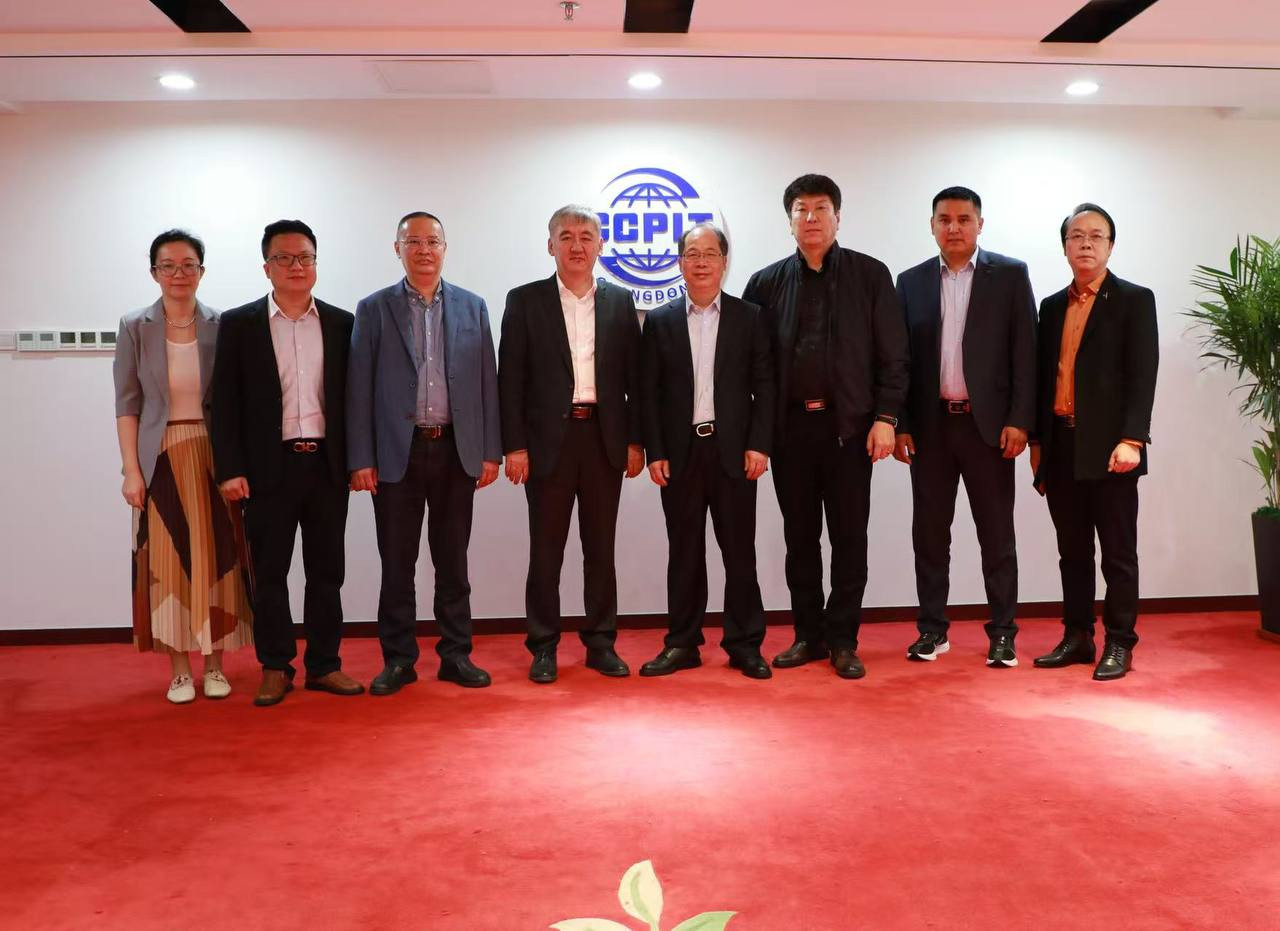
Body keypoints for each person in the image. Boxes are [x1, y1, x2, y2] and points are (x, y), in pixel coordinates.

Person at [742, 174, 909, 680]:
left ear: (838, 216)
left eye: (820, 208)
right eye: (801, 209)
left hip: (850, 431)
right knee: (800, 541)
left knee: (849, 539)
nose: (811, 218)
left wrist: (885, 419)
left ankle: (843, 640)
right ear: (789, 220)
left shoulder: (870, 276)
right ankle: (808, 636)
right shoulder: (765, 283)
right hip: (790, 431)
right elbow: (752, 368)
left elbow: (894, 356)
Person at [347, 211, 502, 694]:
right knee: (397, 565)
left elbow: (487, 381)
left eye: (432, 241)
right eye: (413, 242)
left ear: (444, 248)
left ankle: (456, 655)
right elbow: (358, 387)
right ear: (398, 249)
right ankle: (399, 660)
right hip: (398, 454)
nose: (423, 250)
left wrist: (490, 450)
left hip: (456, 451)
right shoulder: (374, 309)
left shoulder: (473, 307)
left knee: (453, 563)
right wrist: (361, 458)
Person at [211, 219, 364, 706]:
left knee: (327, 573)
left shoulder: (342, 324)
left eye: (305, 257)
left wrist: (359, 460)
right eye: (284, 258)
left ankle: (325, 665)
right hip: (266, 470)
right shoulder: (240, 324)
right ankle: (275, 666)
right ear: (266, 267)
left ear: (316, 263)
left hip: (326, 466)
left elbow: (355, 400)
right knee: (270, 574)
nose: (296, 266)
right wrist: (231, 468)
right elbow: (224, 403)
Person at [499, 204, 644, 683]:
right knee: (546, 552)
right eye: (566, 236)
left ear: (600, 245)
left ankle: (601, 643)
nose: (577, 245)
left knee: (600, 549)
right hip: (547, 445)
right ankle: (543, 646)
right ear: (550, 245)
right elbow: (510, 380)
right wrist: (515, 446)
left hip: (604, 439)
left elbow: (635, 380)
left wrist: (636, 441)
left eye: (586, 236)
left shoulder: (621, 301)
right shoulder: (525, 301)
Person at [893, 187, 1036, 667]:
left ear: (980, 224)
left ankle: (1003, 633)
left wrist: (1020, 420)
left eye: (963, 219)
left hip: (988, 428)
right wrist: (902, 424)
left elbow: (1025, 354)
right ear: (932, 225)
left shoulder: (1010, 275)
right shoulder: (910, 282)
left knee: (996, 536)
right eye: (944, 219)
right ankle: (932, 631)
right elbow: (900, 361)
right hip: (931, 428)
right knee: (930, 536)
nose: (954, 227)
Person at [113, 230, 253, 703]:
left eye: (188, 264)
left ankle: (215, 664)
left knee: (218, 559)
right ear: (154, 272)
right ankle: (178, 671)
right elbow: (127, 403)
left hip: (215, 454)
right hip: (160, 456)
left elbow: (235, 399)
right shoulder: (135, 325)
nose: (179, 273)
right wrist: (131, 470)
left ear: (202, 271)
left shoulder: (223, 324)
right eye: (168, 265)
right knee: (167, 564)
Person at [638, 223, 776, 680]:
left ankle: (745, 644)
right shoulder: (660, 321)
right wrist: (655, 450)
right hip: (680, 453)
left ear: (724, 262)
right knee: (684, 552)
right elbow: (649, 392)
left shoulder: (750, 317)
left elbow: (765, 387)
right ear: (680, 263)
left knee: (739, 552)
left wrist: (759, 444)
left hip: (733, 451)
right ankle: (682, 643)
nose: (701, 262)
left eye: (710, 254)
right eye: (692, 254)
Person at [1031, 203, 1158, 681]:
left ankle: (1120, 642)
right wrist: (1039, 445)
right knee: (1073, 552)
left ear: (1111, 245)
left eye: (1096, 235)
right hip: (1061, 446)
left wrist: (1133, 439)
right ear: (1064, 246)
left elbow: (1142, 375)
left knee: (1118, 553)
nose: (1085, 243)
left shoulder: (1134, 300)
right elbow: (1043, 379)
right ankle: (1078, 636)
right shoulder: (1050, 307)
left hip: (1111, 450)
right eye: (1076, 236)